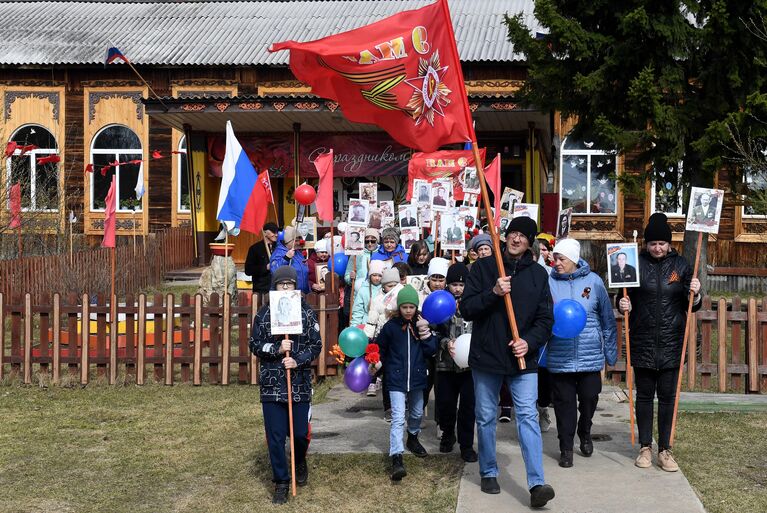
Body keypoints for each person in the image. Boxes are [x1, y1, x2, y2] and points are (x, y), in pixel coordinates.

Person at [460, 217, 555, 507]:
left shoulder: (539, 275)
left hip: (522, 359)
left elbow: (545, 318)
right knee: (487, 415)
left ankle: (536, 483)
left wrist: (529, 341)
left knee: (527, 416)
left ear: (530, 242)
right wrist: (494, 293)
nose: (516, 240)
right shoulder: (485, 268)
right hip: (487, 356)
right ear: (505, 236)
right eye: (512, 234)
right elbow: (466, 309)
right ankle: (488, 470)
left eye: (522, 236)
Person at [618, 213, 702, 472]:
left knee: (667, 398)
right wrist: (622, 304)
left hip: (671, 341)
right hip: (642, 339)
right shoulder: (634, 263)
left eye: (662, 243)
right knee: (644, 396)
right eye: (653, 243)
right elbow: (623, 296)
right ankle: (645, 447)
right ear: (646, 244)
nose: (657, 248)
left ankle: (665, 450)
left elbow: (693, 305)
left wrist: (696, 294)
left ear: (669, 243)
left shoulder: (682, 266)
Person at [249, 266, 322, 504]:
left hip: (298, 383)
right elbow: (254, 344)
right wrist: (276, 349)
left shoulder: (306, 312)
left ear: (296, 287)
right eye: (282, 284)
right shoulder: (264, 314)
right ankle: (281, 480)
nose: (286, 288)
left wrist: (297, 359)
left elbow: (316, 344)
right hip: (272, 384)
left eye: (290, 284)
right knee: (276, 436)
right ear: (275, 287)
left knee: (300, 434)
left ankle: (299, 459)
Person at [546, 238, 617, 468]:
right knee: (564, 404)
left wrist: (610, 353)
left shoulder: (594, 282)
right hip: (560, 354)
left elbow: (607, 319)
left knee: (589, 398)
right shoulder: (548, 282)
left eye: (561, 258)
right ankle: (566, 447)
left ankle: (585, 431)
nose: (556, 262)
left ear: (574, 260)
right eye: (554, 257)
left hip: (589, 355)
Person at [377, 285, 439, 481]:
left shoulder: (422, 324)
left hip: (419, 378)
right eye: (405, 307)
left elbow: (431, 350)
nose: (408, 310)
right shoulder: (391, 327)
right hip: (396, 379)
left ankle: (413, 436)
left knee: (417, 412)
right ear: (399, 307)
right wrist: (377, 365)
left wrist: (425, 333)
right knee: (397, 418)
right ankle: (397, 457)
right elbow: (380, 349)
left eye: (412, 307)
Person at [435, 262, 478, 462]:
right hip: (445, 365)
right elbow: (433, 333)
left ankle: (467, 445)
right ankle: (447, 433)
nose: (458, 289)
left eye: (461, 285)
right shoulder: (440, 304)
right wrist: (445, 342)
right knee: (446, 404)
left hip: (469, 367)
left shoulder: (473, 304)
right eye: (453, 284)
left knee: (468, 407)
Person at [364, 267, 403, 400]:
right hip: (383, 338)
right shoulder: (378, 300)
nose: (392, 289)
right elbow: (372, 320)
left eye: (394, 285)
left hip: (399, 338)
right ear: (383, 286)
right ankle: (388, 405)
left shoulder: (401, 298)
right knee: (386, 370)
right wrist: (369, 337)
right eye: (389, 286)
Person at [269, 226, 309, 294]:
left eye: (299, 240)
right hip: (286, 293)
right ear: (288, 241)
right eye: (295, 240)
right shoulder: (278, 252)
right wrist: (286, 258)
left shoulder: (298, 253)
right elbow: (274, 270)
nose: (298, 243)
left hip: (302, 294)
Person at [244, 222, 279, 295]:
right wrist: (265, 267)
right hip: (261, 290)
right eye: (273, 232)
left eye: (277, 232)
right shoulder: (255, 249)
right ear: (265, 233)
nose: (276, 235)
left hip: (277, 287)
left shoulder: (279, 248)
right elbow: (248, 270)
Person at [351, 259, 386, 328]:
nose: (377, 278)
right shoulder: (363, 289)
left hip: (382, 324)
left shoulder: (385, 289)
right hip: (367, 324)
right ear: (370, 275)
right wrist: (354, 326)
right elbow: (358, 311)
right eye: (374, 275)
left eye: (380, 275)